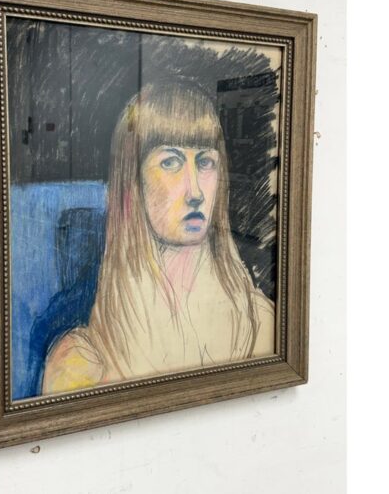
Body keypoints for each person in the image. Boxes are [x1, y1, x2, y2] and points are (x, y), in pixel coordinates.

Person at [42, 81, 275, 394]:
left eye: (205, 162)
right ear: (132, 181)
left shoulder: (260, 324)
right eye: (170, 162)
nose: (195, 192)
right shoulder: (79, 362)